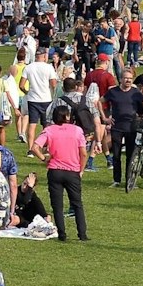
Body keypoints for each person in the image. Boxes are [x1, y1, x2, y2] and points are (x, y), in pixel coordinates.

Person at [34, 103, 90, 243]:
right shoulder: (77, 131)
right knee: (77, 203)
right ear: (67, 116)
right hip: (72, 171)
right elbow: (83, 154)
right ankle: (82, 234)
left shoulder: (49, 130)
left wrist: (43, 158)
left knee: (57, 205)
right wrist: (81, 170)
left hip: (55, 171)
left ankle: (62, 234)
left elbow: (35, 147)